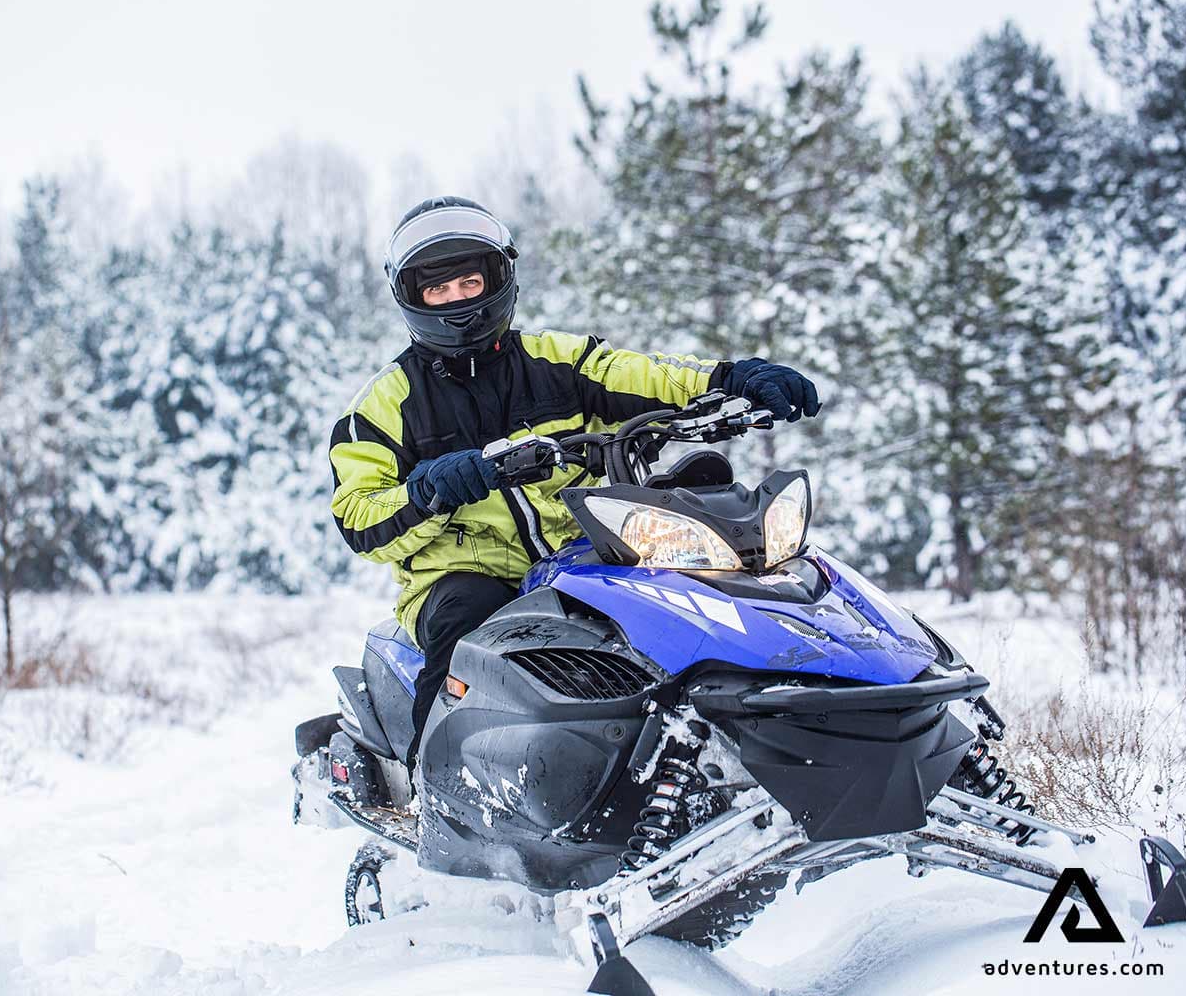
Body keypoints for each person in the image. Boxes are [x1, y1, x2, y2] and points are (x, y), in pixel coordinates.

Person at [328, 196, 820, 769]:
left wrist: (731, 377)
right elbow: (358, 517)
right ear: (411, 298)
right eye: (438, 290)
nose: (459, 300)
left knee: (687, 593)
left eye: (469, 280)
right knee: (467, 613)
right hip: (465, 575)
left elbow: (641, 375)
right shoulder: (384, 405)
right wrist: (431, 490)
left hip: (586, 548)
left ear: (499, 278)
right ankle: (433, 786)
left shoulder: (557, 360)